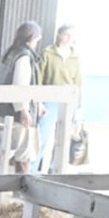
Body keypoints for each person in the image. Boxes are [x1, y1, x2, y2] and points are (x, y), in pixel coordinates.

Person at [0, 20, 43, 174]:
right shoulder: (24, 57)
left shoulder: (11, 53)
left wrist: (38, 104)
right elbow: (21, 85)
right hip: (17, 110)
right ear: (31, 38)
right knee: (23, 150)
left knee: (9, 146)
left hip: (7, 109)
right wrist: (23, 109)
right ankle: (22, 187)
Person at [35, 24, 82, 173]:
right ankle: (32, 171)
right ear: (59, 35)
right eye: (66, 35)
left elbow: (79, 82)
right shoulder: (48, 53)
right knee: (42, 137)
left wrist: (79, 108)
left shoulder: (75, 57)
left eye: (72, 36)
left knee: (63, 139)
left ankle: (55, 171)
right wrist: (39, 101)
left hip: (68, 101)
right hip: (49, 99)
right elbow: (39, 77)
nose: (69, 39)